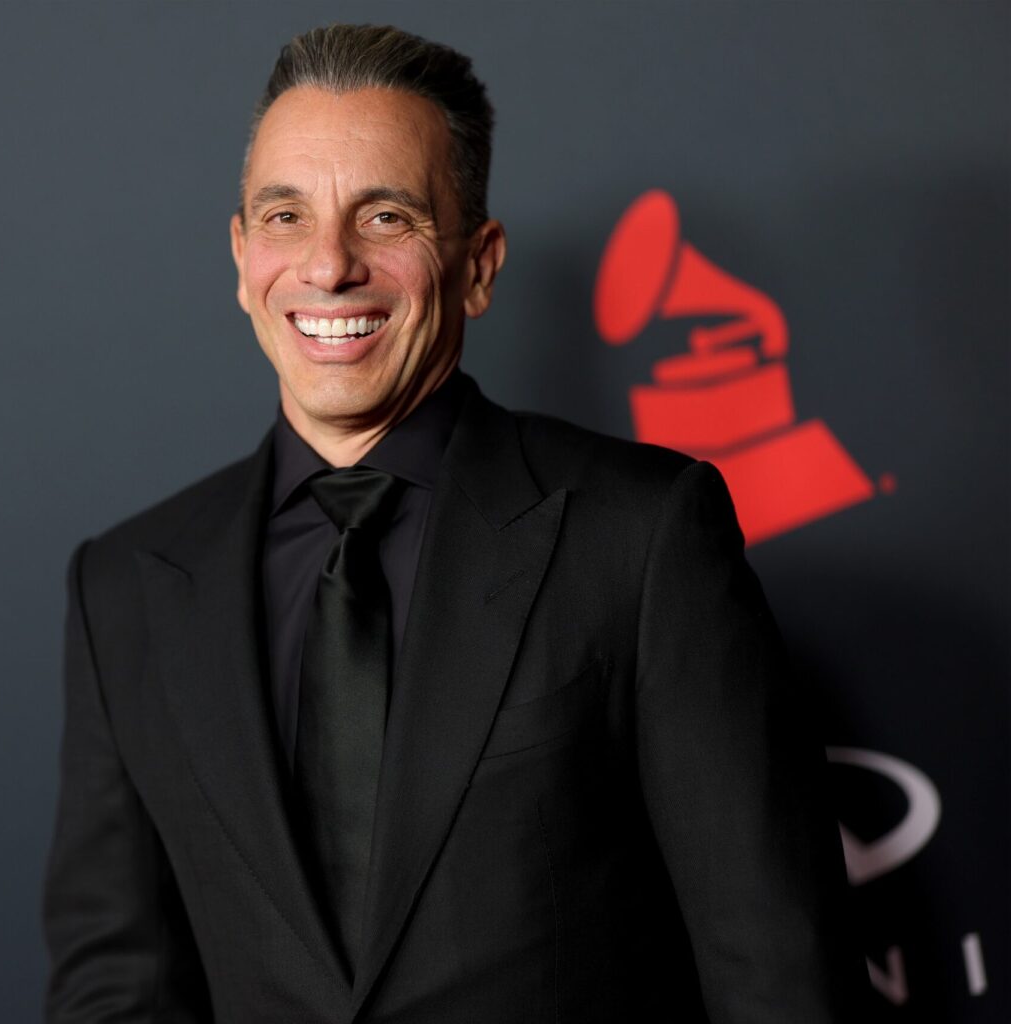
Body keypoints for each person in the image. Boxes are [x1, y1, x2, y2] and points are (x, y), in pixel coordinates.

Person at [44, 23, 858, 1023]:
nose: (328, 265)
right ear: (242, 254)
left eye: (386, 217)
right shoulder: (126, 585)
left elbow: (776, 972)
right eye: (286, 216)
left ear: (478, 263)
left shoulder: (642, 536)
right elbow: (117, 988)